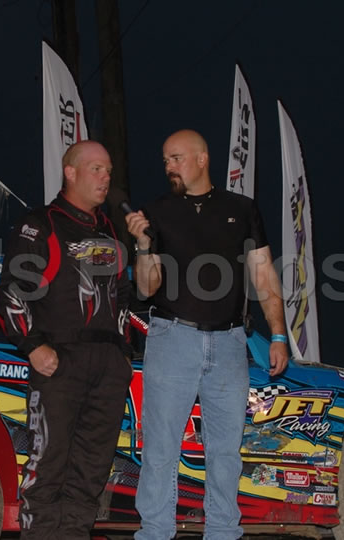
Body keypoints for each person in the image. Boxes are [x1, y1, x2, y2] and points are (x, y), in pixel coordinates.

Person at [125, 129, 289, 540]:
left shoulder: (242, 209)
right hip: (172, 338)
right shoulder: (156, 212)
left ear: (202, 159)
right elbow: (146, 288)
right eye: (165, 160)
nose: (169, 167)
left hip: (230, 343)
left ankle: (223, 532)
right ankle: (155, 532)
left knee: (225, 451)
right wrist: (143, 246)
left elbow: (263, 274)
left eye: (176, 158)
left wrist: (278, 335)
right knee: (161, 447)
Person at [0, 140, 133, 539]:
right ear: (70, 172)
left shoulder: (109, 229)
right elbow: (13, 291)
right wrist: (32, 346)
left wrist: (123, 354)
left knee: (92, 470)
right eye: (96, 169)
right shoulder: (40, 223)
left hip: (108, 366)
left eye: (108, 171)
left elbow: (123, 297)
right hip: (60, 361)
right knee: (49, 464)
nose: (105, 178)